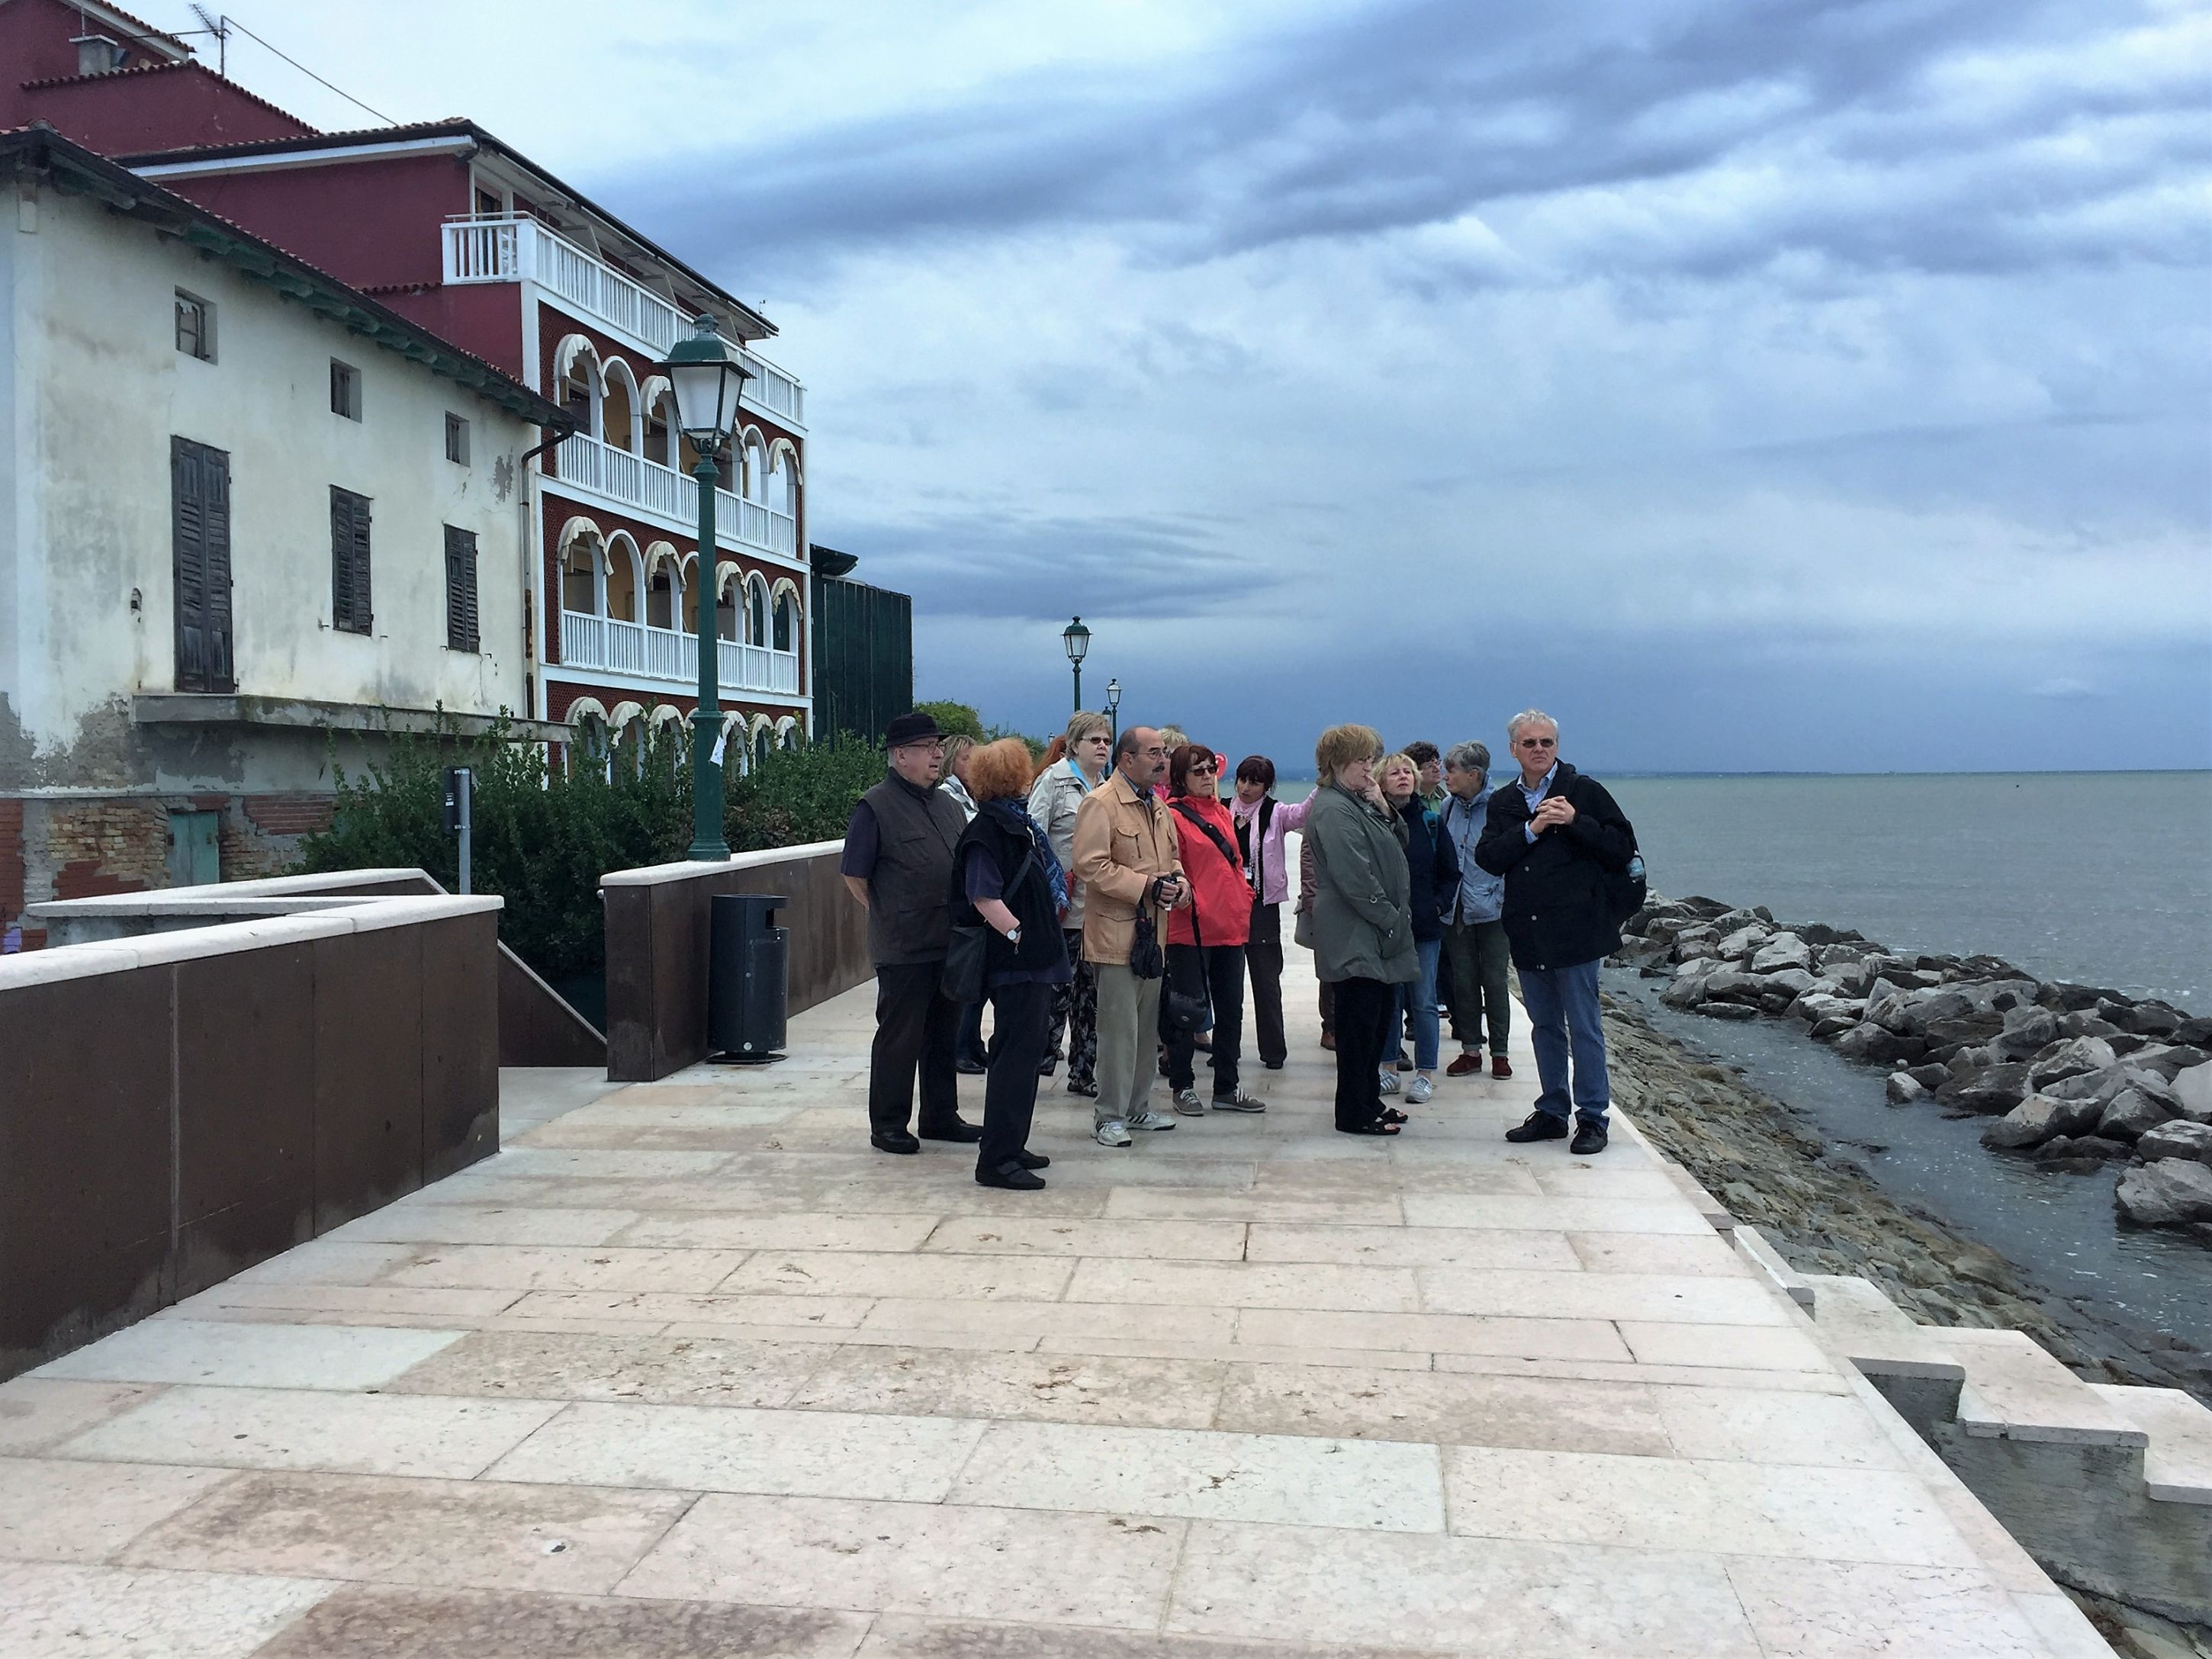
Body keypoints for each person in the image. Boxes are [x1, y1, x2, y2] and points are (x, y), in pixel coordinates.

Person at [1474, 709, 1636, 1156]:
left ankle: (1593, 1117)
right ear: (1514, 750)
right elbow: (1488, 858)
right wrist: (1531, 830)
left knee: (1584, 1028)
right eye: (1529, 743)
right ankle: (1551, 1111)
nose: (1539, 750)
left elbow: (1622, 847)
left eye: (1546, 742)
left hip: (1578, 932)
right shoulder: (1503, 801)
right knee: (1545, 1027)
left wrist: (1575, 820)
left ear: (1557, 747)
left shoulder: (1584, 791)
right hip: (1529, 932)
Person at [840, 712, 981, 1155]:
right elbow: (854, 875)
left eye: (939, 746)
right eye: (927, 747)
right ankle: (888, 1125)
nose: (938, 754)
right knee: (899, 1037)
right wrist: (888, 910)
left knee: (943, 1035)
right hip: (904, 945)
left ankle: (940, 1116)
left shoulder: (949, 806)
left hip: (949, 942)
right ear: (901, 755)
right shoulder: (875, 806)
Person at [950, 738, 1069, 1190]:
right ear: (1017, 776)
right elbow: (983, 895)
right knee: (1014, 1057)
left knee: (1023, 1054)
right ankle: (997, 1159)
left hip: (1030, 959)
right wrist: (1019, 935)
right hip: (1017, 962)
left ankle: (1011, 1144)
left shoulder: (1012, 824)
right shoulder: (990, 830)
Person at [1072, 726, 1189, 1147]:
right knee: (1118, 1032)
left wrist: (1180, 884)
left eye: (1164, 752)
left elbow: (1171, 858)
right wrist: (1145, 886)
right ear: (1127, 759)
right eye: (1154, 752)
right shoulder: (1101, 803)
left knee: (1144, 1031)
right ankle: (1109, 1116)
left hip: (1153, 937)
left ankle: (1138, 1108)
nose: (1163, 760)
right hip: (1115, 937)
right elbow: (1089, 865)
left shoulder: (1156, 805)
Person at [1304, 723, 1417, 1136]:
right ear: (1338, 763)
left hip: (1375, 933)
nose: (1370, 768)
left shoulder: (1359, 801)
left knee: (1377, 1020)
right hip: (1356, 933)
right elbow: (1354, 875)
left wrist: (1383, 805)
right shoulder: (1333, 809)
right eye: (1362, 761)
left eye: (1371, 760)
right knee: (1357, 1026)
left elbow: (1400, 841)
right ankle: (1353, 1112)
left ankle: (1369, 1099)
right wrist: (1391, 918)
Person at [1164, 744, 1265, 1114]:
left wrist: (1244, 898)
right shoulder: (1172, 816)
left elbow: (1235, 863)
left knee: (1231, 1010)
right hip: (1190, 928)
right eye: (1198, 771)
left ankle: (1227, 1086)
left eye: (1211, 769)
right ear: (1181, 777)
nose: (1208, 776)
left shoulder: (1222, 812)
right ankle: (1182, 1085)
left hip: (1230, 926)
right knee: (1186, 1011)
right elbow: (1172, 864)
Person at [1028, 711, 1111, 1096]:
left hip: (1097, 910)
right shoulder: (1054, 781)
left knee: (1090, 998)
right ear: (1075, 744)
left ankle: (1083, 1072)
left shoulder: (1107, 787)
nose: (1102, 747)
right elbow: (1033, 836)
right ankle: (1039, 1062)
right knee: (1055, 993)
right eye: (1094, 740)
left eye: (1106, 741)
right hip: (1062, 909)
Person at [1376, 752, 1458, 1108]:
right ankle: (1389, 1068)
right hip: (1386, 927)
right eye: (1394, 772)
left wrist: (1438, 905)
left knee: (1424, 1002)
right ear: (1381, 781)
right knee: (1389, 999)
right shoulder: (1375, 822)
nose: (1403, 777)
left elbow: (1450, 872)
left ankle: (1425, 1073)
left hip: (1424, 927)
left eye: (1408, 772)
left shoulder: (1430, 822)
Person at [1230, 755, 1314, 1071]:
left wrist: (1324, 782)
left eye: (1254, 783)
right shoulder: (1223, 810)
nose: (1245, 788)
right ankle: (1227, 1049)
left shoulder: (1275, 813)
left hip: (1261, 907)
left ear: (1267, 786)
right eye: (1242, 780)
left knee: (1266, 982)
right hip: (1227, 906)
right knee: (1228, 983)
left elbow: (1304, 813)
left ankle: (1274, 1051)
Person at [1439, 741, 1512, 1079]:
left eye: (1451, 770)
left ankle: (1500, 1054)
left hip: (1494, 908)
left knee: (1495, 980)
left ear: (1473, 774)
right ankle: (1471, 1050)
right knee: (1463, 981)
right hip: (1456, 908)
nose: (1445, 776)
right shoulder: (1447, 807)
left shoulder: (1502, 806)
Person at [937, 736, 992, 1074]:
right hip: (963, 900)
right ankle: (960, 1048)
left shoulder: (971, 796)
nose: (973, 765)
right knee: (968, 976)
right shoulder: (949, 797)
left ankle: (972, 1043)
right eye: (967, 759)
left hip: (973, 899)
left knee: (979, 979)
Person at [1404, 740, 1445, 807]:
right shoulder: (1406, 801)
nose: (1437, 769)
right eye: (1430, 766)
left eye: (1437, 763)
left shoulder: (1445, 799)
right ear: (1416, 771)